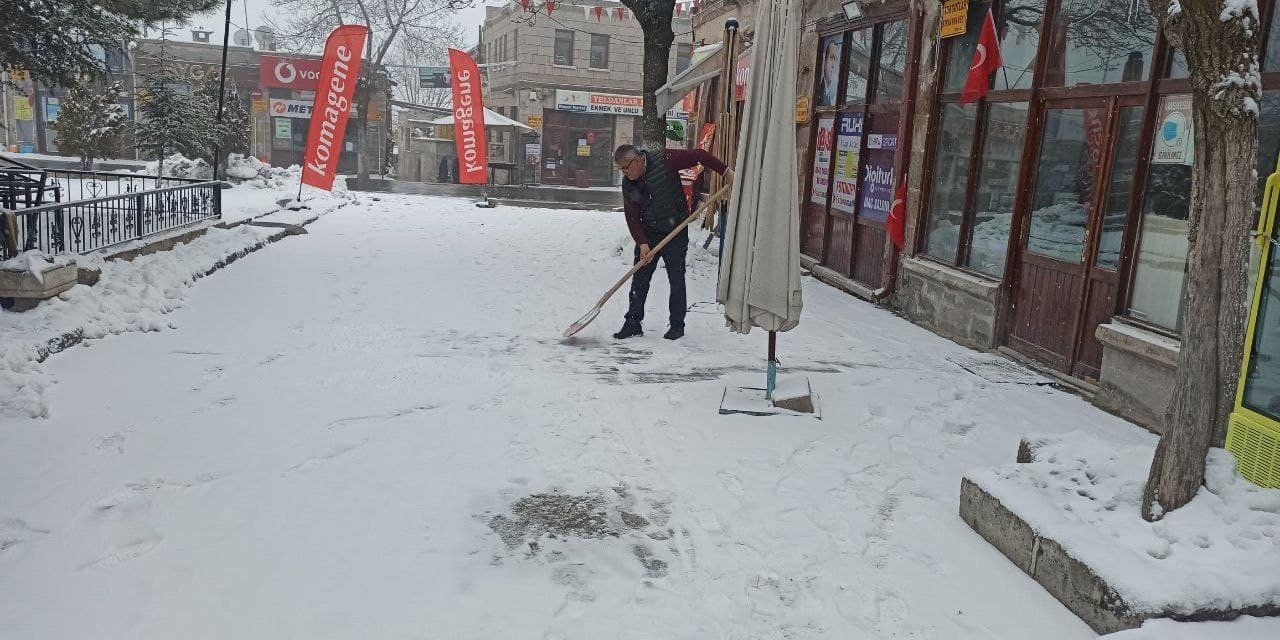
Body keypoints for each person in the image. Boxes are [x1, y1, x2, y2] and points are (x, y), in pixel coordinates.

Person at [612, 144, 732, 341]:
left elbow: (700, 155)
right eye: (620, 169)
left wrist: (726, 171)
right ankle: (632, 323)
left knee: (676, 279)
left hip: (674, 231)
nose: (624, 173)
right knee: (639, 280)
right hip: (649, 233)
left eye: (626, 167)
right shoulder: (628, 183)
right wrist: (642, 244)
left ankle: (677, 325)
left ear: (638, 160)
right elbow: (632, 216)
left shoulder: (665, 159)